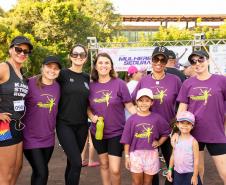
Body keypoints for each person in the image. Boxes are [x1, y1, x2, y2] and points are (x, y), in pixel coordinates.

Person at [132, 46, 182, 185]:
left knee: (174, 164)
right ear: (151, 60)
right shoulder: (144, 81)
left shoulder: (175, 80)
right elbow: (133, 101)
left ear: (166, 62)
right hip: (148, 130)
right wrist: (139, 117)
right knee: (150, 169)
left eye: (162, 60)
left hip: (168, 129)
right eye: (156, 59)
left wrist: (177, 127)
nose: (159, 63)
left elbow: (183, 103)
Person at [176, 50, 226, 184]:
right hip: (194, 134)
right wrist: (176, 131)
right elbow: (182, 107)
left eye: (201, 59)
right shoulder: (187, 83)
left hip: (216, 133)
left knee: (224, 172)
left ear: (208, 60)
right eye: (193, 61)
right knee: (198, 172)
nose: (197, 63)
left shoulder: (221, 80)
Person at [88, 52, 136, 185]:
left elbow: (130, 106)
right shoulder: (91, 86)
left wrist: (144, 118)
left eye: (106, 62)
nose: (103, 65)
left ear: (111, 66)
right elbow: (87, 107)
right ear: (96, 67)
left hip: (117, 133)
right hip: (97, 133)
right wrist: (92, 117)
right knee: (103, 164)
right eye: (100, 63)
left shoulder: (120, 84)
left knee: (115, 170)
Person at [22, 56, 61, 185]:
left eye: (56, 68)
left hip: (49, 138)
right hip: (30, 137)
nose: (52, 70)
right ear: (42, 67)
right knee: (42, 172)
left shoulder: (58, 87)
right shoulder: (29, 83)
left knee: (38, 172)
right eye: (49, 67)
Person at [0, 36, 33, 185]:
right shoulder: (4, 67)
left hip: (18, 125)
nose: (22, 53)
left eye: (26, 51)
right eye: (18, 49)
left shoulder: (21, 74)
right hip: (4, 127)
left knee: (17, 168)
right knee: (5, 173)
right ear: (10, 50)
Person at [121, 88, 170, 185]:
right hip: (135, 155)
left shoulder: (157, 118)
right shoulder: (132, 120)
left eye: (147, 100)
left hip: (151, 154)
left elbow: (166, 132)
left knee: (148, 182)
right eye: (141, 100)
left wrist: (159, 142)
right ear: (136, 102)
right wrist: (127, 156)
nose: (144, 103)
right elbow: (126, 140)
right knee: (136, 182)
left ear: (152, 102)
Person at [56, 44, 89, 185]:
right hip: (64, 125)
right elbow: (44, 81)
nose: (78, 57)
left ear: (86, 58)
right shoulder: (62, 74)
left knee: (72, 163)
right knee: (77, 162)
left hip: (82, 125)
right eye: (75, 54)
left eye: (82, 54)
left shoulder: (87, 77)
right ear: (70, 56)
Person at [166, 111, 202, 185]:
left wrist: (195, 175)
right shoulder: (175, 139)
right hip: (177, 173)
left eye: (188, 123)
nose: (185, 126)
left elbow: (196, 160)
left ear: (192, 126)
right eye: (182, 123)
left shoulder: (194, 142)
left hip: (190, 173)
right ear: (177, 124)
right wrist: (170, 169)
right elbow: (173, 155)